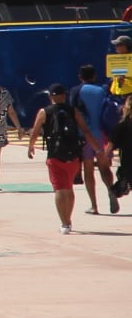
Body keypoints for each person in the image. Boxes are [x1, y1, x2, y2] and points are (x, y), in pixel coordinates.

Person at [28, 82, 97, 234]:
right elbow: (85, 131)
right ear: (64, 96)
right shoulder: (73, 111)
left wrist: (30, 146)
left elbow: (35, 131)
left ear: (50, 96)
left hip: (55, 155)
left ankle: (64, 223)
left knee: (59, 189)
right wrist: (97, 148)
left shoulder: (44, 112)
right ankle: (69, 219)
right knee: (69, 188)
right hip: (73, 155)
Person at [73, 63, 114, 215]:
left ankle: (94, 205)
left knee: (88, 170)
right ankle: (111, 190)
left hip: (85, 135)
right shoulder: (103, 90)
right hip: (102, 134)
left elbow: (73, 113)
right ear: (94, 76)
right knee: (104, 167)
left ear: (80, 77)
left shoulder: (76, 91)